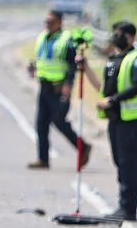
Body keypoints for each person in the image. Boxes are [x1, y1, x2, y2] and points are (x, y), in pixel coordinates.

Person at [78, 21, 137, 221]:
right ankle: (123, 206)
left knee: (128, 163)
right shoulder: (114, 60)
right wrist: (86, 69)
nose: (116, 37)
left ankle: (128, 209)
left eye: (120, 34)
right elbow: (104, 88)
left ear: (131, 37)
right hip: (116, 119)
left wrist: (113, 100)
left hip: (132, 119)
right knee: (119, 162)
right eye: (115, 33)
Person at [27, 10, 91, 169]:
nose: (47, 24)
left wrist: (68, 86)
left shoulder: (66, 40)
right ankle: (43, 159)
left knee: (59, 121)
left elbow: (72, 66)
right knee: (41, 124)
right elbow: (42, 58)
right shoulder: (42, 37)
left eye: (51, 22)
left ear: (60, 22)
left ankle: (82, 146)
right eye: (46, 21)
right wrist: (33, 66)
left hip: (59, 88)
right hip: (44, 87)